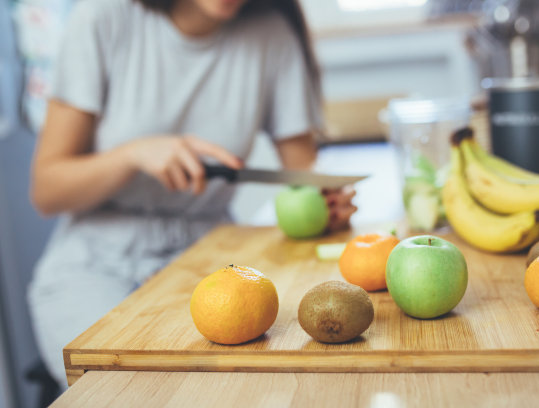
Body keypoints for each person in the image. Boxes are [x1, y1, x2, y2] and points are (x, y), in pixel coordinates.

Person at [27, 0, 357, 389]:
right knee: (128, 393)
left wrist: (327, 206)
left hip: (214, 255)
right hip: (94, 263)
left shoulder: (271, 34)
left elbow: (302, 176)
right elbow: (46, 191)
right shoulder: (102, 17)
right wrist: (132, 154)